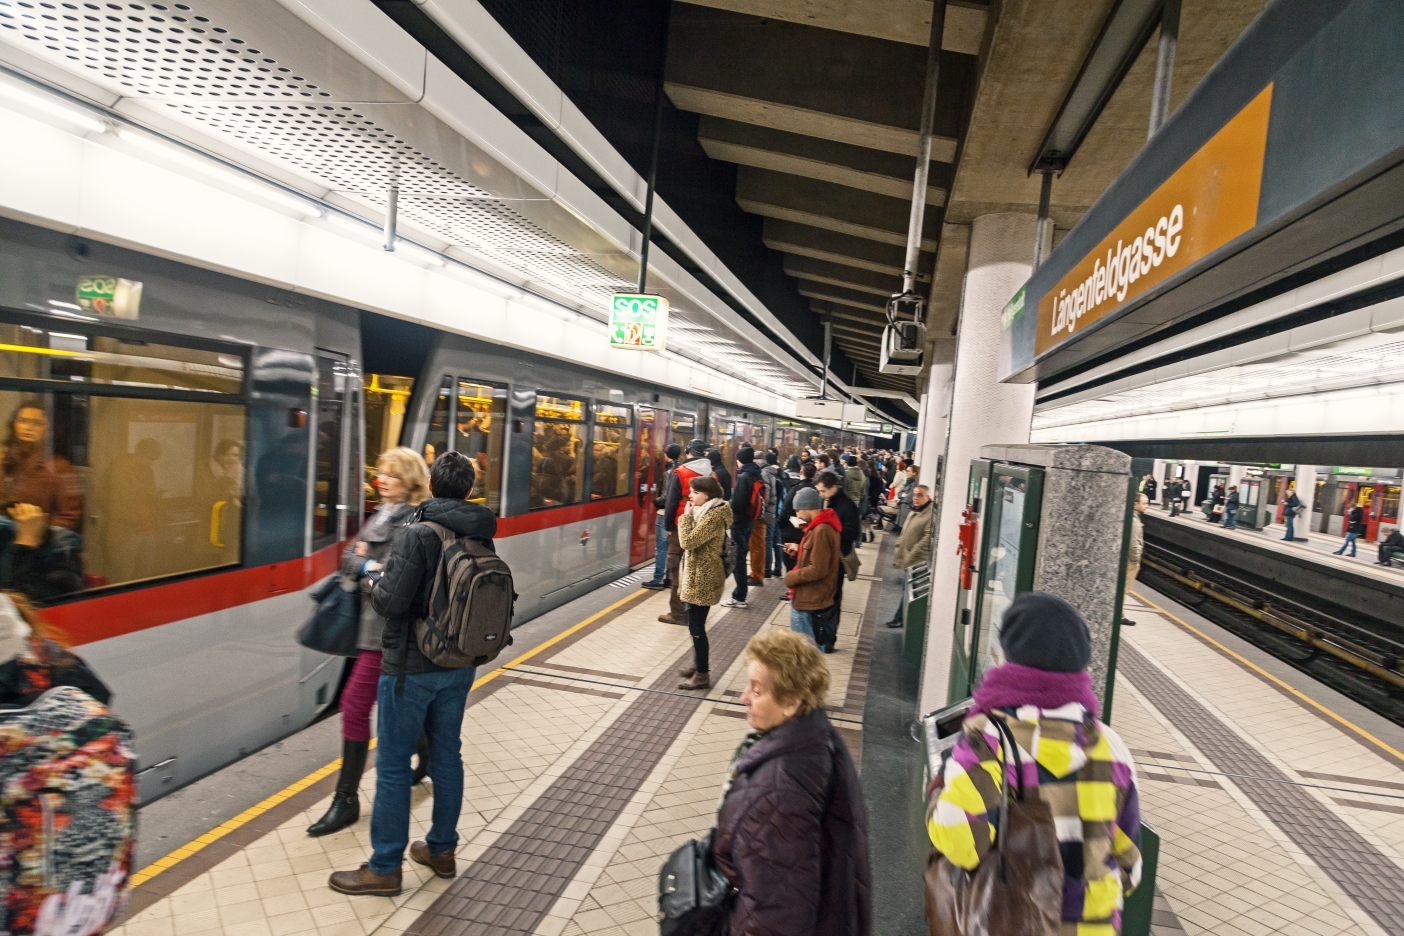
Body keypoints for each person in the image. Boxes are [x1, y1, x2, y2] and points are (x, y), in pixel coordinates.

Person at [329, 451, 496, 896]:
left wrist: (368, 574)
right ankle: (441, 849)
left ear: (434, 484)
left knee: (393, 766)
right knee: (448, 758)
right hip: (460, 666)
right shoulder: (481, 532)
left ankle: (384, 867)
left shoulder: (417, 532)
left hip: (411, 668)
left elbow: (389, 602)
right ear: (468, 489)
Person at [927, 592, 1141, 935]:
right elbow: (1131, 865)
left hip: (1008, 921)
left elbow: (962, 844)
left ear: (1011, 657)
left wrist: (936, 798)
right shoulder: (1112, 747)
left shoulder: (989, 738)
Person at [713, 630, 870, 936]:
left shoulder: (779, 791)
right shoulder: (818, 739)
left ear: (791, 702)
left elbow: (775, 913)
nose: (744, 697)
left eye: (757, 691)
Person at [308, 447, 429, 837]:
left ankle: (346, 799)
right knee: (381, 704)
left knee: (355, 705)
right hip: (367, 628)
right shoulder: (383, 513)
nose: (381, 479)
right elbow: (348, 558)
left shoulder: (412, 520)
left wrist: (367, 565)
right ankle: (424, 747)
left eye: (391, 474)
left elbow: (393, 577)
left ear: (409, 479)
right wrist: (366, 565)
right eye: (380, 472)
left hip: (387, 631)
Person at [676, 475, 731, 690]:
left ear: (707, 495)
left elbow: (688, 542)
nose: (690, 496)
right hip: (698, 575)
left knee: (697, 627)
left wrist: (685, 518)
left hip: (704, 578)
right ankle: (698, 664)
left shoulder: (714, 516)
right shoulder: (706, 511)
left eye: (695, 492)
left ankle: (702, 675)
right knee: (694, 625)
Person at [2, 401, 82, 531]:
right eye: (23, 420)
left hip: (39, 539)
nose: (29, 427)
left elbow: (69, 516)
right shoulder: (4, 459)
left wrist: (42, 534)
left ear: (48, 430)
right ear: (14, 424)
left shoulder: (60, 467)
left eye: (37, 423)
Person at [660, 440, 712, 625]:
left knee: (676, 569)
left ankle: (679, 614)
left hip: (681, 525)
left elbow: (672, 502)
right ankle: (696, 612)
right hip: (703, 524)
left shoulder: (680, 472)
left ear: (688, 452)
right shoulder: (711, 473)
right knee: (696, 569)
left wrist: (668, 526)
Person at [783, 487, 840, 643]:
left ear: (807, 507)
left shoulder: (821, 530)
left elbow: (818, 569)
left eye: (798, 511)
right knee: (810, 650)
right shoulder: (818, 527)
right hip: (809, 597)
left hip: (809, 598)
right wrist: (799, 550)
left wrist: (791, 577)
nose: (797, 515)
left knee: (807, 652)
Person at [814, 471, 860, 653]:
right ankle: (822, 637)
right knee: (825, 598)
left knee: (832, 599)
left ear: (834, 487)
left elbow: (853, 533)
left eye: (823, 491)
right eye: (819, 491)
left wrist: (830, 534)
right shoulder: (828, 502)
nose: (821, 495)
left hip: (838, 560)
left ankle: (828, 639)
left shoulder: (846, 505)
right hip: (826, 557)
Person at [886, 484, 933, 628]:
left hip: (916, 561)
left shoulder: (929, 514)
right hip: (908, 558)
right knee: (905, 589)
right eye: (915, 495)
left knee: (910, 591)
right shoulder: (917, 510)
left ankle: (901, 618)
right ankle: (900, 617)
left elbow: (927, 539)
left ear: (928, 497)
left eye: (920, 495)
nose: (916, 498)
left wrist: (911, 555)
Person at [722, 447, 764, 609]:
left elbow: (738, 503)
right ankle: (740, 594)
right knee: (741, 556)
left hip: (739, 523)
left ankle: (740, 597)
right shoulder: (756, 473)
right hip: (750, 521)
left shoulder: (744, 476)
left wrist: (728, 505)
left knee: (737, 560)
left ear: (739, 460)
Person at [642, 443, 683, 591]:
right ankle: (669, 578)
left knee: (661, 549)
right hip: (676, 513)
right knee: (671, 548)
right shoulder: (682, 469)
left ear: (667, 455)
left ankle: (658, 579)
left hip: (664, 514)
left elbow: (665, 497)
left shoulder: (669, 473)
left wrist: (654, 499)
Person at [760, 451, 785, 580]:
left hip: (771, 511)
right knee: (777, 541)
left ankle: (767, 570)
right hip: (781, 511)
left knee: (768, 540)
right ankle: (778, 568)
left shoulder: (767, 474)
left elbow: (767, 496)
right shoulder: (781, 474)